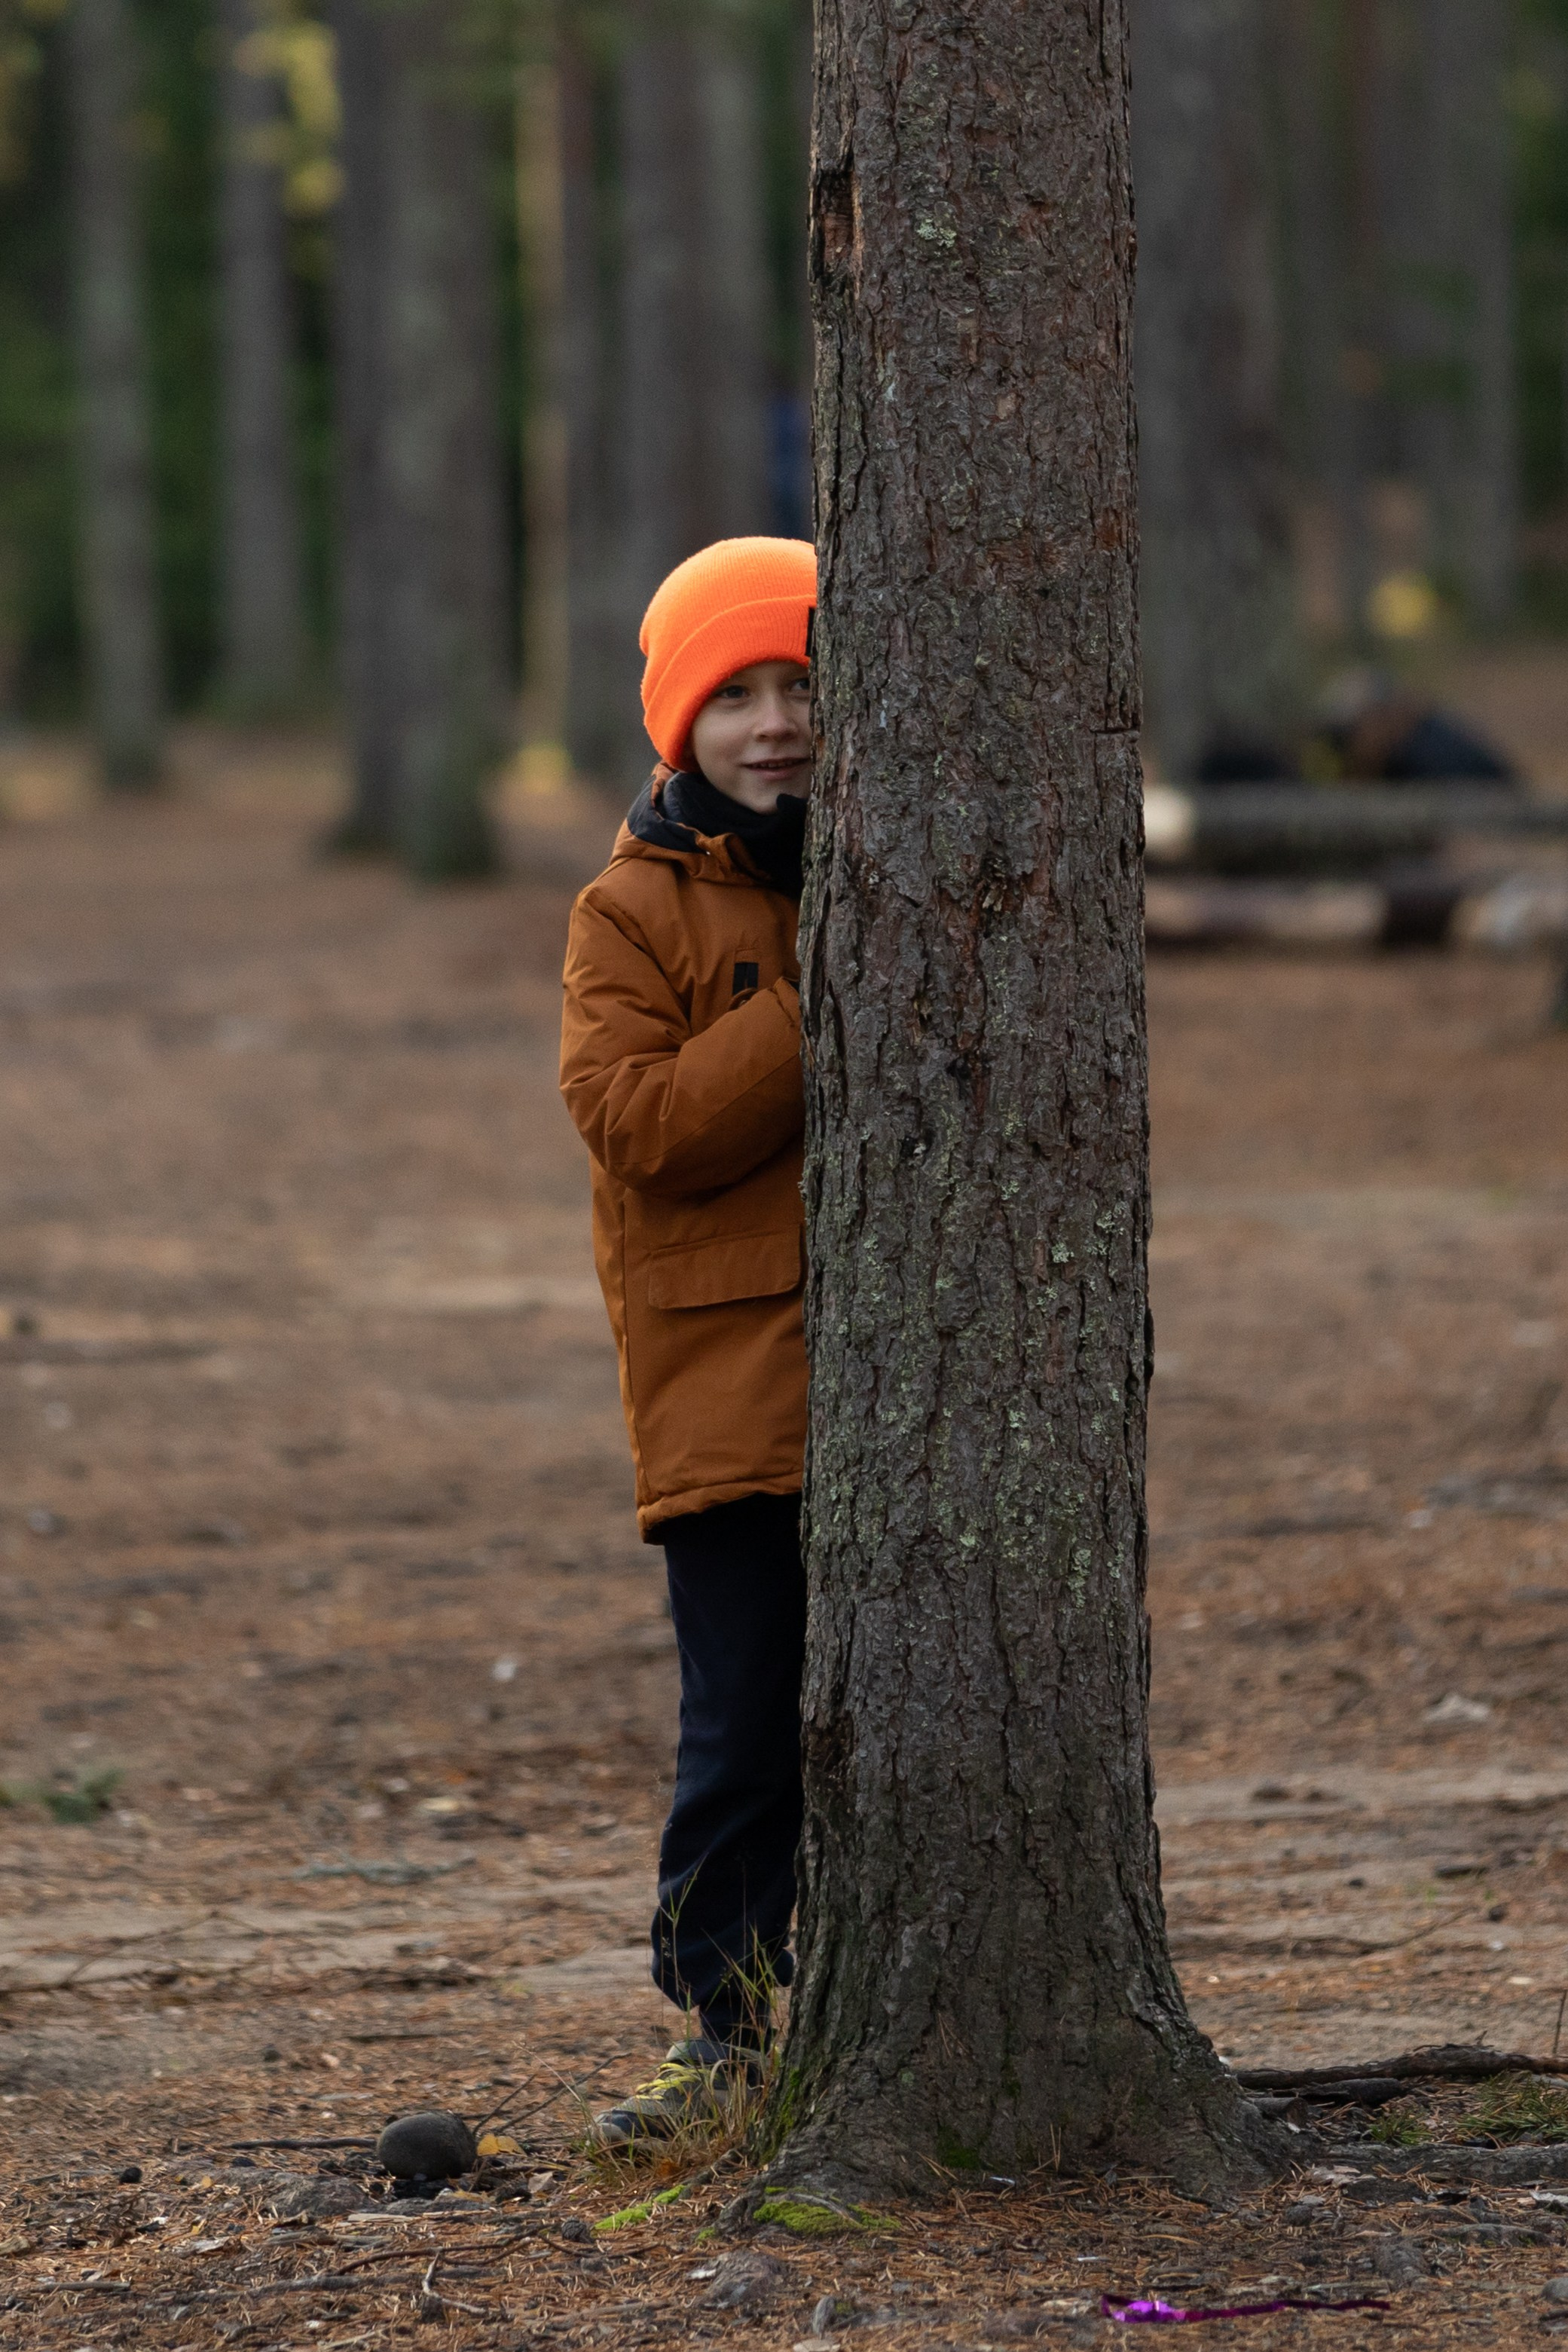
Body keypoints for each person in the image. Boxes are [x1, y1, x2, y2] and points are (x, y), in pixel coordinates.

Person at [558, 537, 815, 2145]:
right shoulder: (628, 908)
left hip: (894, 1389)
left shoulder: (916, 855)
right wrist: (804, 1007)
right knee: (744, 1719)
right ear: (679, 720)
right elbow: (635, 1122)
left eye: (801, 684)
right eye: (736, 694)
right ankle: (724, 2024)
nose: (775, 722)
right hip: (727, 1390)